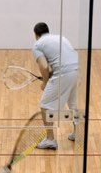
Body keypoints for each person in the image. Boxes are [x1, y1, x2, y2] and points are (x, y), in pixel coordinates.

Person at [29, 22, 83, 150]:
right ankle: (79, 133)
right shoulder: (61, 38)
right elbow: (64, 60)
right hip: (77, 71)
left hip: (64, 74)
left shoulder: (37, 44)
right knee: (73, 103)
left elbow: (43, 66)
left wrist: (45, 82)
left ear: (36, 34)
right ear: (48, 31)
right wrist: (52, 74)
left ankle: (50, 140)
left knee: (44, 105)